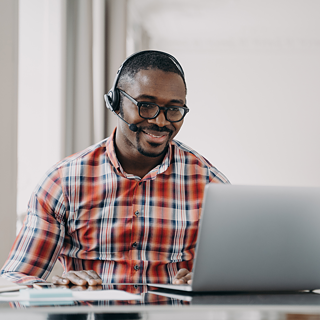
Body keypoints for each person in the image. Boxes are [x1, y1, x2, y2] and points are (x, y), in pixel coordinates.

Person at [1, 50, 229, 286]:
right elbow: (13, 280)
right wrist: (58, 287)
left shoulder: (210, 185)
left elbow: (236, 278)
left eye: (174, 109)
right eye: (146, 106)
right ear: (116, 103)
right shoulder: (63, 183)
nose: (161, 122)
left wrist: (213, 283)